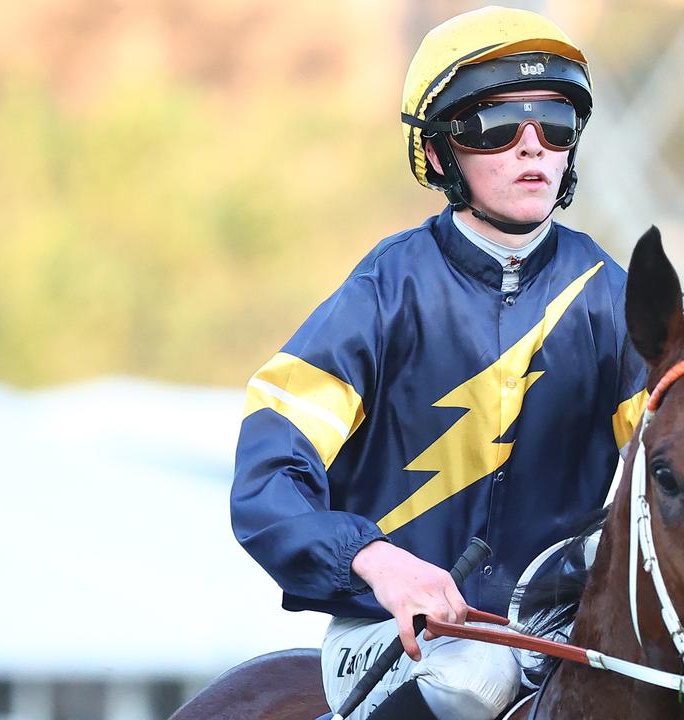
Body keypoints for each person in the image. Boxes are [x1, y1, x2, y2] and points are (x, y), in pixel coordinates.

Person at [231, 6, 646, 719]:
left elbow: (683, 471)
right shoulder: (384, 293)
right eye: (496, 127)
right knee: (470, 682)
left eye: (554, 124)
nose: (532, 150)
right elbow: (266, 478)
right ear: (438, 152)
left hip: (560, 634)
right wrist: (374, 561)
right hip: (393, 630)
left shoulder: (613, 300)